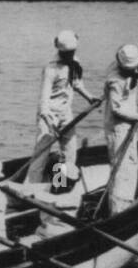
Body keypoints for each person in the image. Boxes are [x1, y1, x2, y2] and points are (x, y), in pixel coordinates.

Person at [28, 30, 98, 182]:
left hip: (66, 113)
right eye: (68, 53)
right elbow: (44, 97)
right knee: (41, 154)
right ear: (60, 51)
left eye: (73, 52)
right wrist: (47, 118)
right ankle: (31, 187)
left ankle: (60, 182)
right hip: (49, 115)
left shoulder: (74, 62)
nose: (70, 55)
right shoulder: (51, 69)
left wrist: (90, 97)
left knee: (69, 152)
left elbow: (76, 83)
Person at [103, 43, 138, 213]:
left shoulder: (129, 61)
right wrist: (136, 116)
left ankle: (127, 200)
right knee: (121, 167)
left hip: (130, 122)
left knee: (132, 163)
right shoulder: (115, 80)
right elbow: (116, 109)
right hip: (118, 126)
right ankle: (118, 209)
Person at [4, 162, 83, 241]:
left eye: (73, 183)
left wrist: (30, 195)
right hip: (42, 232)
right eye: (67, 181)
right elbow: (24, 188)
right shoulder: (49, 187)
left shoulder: (74, 197)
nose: (70, 186)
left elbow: (52, 199)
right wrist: (4, 185)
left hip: (62, 236)